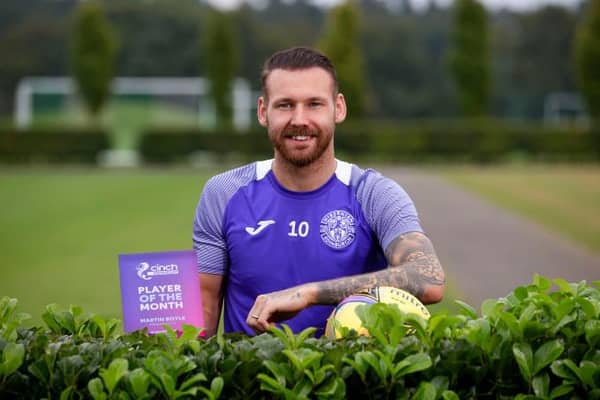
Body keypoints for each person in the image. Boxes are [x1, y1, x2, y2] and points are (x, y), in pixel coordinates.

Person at [193, 46, 445, 337]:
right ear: (263, 111)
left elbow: (428, 277)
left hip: (351, 379)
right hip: (252, 381)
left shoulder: (375, 194)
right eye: (285, 105)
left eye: (314, 104)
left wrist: (309, 293)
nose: (299, 119)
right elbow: (204, 309)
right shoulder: (224, 193)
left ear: (338, 108)